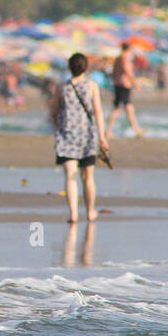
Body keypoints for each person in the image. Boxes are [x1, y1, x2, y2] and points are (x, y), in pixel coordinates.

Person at [52, 53, 110, 223]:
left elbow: (54, 111)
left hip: (67, 135)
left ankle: (73, 214)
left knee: (70, 175)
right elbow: (98, 111)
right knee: (88, 176)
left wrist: (58, 127)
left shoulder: (62, 87)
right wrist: (102, 136)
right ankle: (90, 211)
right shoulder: (92, 86)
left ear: (69, 67)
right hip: (87, 135)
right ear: (86, 67)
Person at [104, 42, 144, 138]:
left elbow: (114, 72)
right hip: (123, 85)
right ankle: (107, 130)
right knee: (118, 108)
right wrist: (136, 83)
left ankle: (137, 129)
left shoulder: (118, 58)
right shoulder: (124, 59)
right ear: (128, 49)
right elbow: (128, 72)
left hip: (119, 84)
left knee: (129, 108)